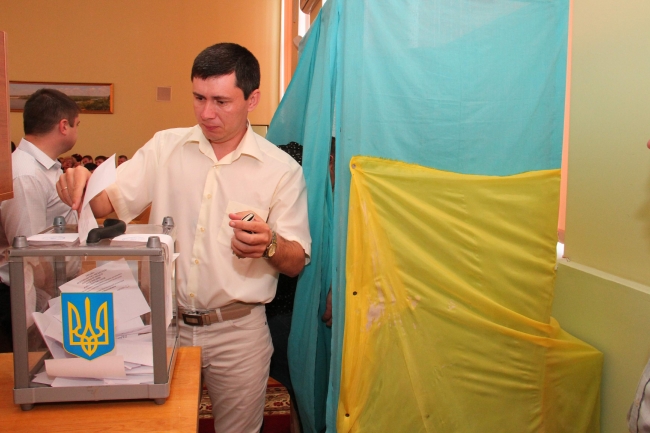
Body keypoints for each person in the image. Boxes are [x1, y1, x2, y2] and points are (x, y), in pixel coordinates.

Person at [58, 42, 311, 433]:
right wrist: (81, 182)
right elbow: (106, 201)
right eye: (198, 98)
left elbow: (295, 260)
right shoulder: (166, 147)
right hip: (166, 324)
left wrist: (270, 244)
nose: (206, 113)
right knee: (159, 425)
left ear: (252, 99)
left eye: (221, 101)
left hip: (238, 331)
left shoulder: (280, 170)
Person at [0, 88, 80, 353]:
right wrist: (33, 327)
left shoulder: (44, 168)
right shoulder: (26, 174)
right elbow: (28, 255)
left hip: (49, 293)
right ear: (64, 126)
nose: (77, 131)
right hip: (26, 301)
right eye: (77, 124)